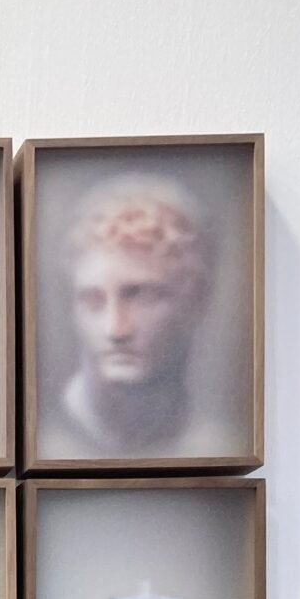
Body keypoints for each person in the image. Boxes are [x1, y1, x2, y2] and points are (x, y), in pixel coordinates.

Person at [43, 174, 220, 458]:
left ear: (196, 300)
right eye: (93, 300)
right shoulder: (50, 437)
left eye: (141, 296)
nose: (115, 330)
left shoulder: (213, 434)